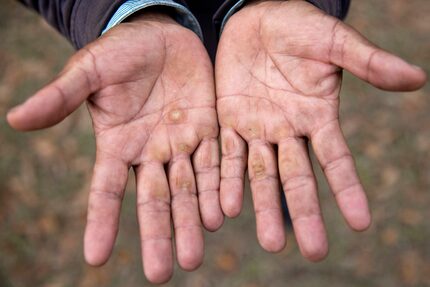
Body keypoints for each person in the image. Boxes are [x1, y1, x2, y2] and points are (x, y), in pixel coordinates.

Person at [7, 0, 426, 284]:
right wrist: (118, 11)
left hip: (273, 61)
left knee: (279, 151)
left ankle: (280, 202)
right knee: (245, 152)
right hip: (152, 68)